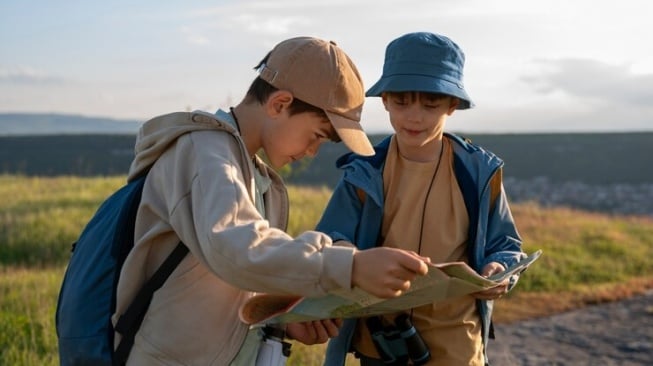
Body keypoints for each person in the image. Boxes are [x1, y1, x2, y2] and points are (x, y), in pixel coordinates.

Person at [111, 36, 431, 365]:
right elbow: (236, 249)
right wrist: (350, 266)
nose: (313, 151)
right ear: (279, 104)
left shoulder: (253, 174)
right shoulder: (206, 153)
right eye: (318, 135)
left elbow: (232, 284)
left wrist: (282, 322)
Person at [317, 32, 527, 366]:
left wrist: (499, 270)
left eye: (430, 105)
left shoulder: (478, 173)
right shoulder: (363, 171)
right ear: (384, 99)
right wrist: (349, 257)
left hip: (457, 342)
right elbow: (328, 239)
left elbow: (506, 244)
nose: (414, 116)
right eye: (401, 102)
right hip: (380, 341)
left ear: (452, 105)